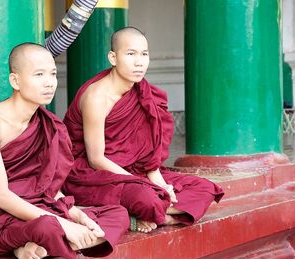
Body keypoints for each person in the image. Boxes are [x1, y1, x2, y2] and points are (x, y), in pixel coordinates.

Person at [0, 43, 129, 259]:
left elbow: (49, 187)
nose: (49, 82)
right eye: (39, 75)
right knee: (47, 228)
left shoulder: (48, 125)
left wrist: (78, 217)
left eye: (53, 74)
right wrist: (64, 225)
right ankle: (35, 241)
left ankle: (31, 246)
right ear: (15, 81)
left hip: (35, 205)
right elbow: (0, 196)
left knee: (117, 214)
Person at [62, 27, 224, 233]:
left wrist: (160, 184)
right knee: (148, 199)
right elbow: (96, 159)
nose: (139, 62)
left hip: (134, 171)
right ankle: (152, 212)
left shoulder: (142, 91)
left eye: (144, 54)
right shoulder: (97, 98)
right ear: (113, 57)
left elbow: (147, 156)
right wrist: (147, 186)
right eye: (131, 54)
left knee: (204, 188)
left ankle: (156, 215)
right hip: (93, 175)